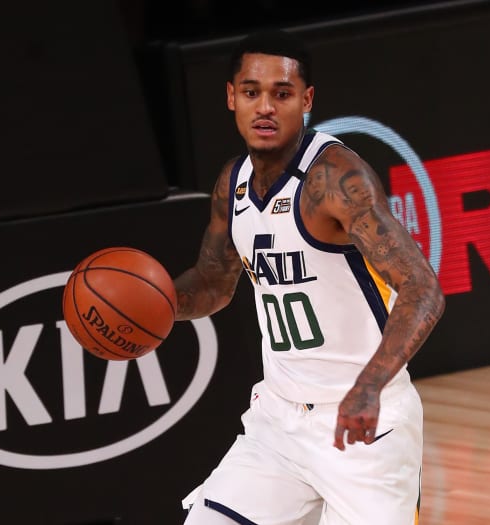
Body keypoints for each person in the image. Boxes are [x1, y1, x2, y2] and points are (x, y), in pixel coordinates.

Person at [173, 28, 445, 525]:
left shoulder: (335, 178)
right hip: (277, 424)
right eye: (252, 92)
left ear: (307, 100)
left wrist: (368, 387)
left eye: (282, 93)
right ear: (231, 97)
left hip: (365, 427)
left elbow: (423, 289)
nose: (265, 107)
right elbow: (213, 284)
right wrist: (157, 306)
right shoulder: (231, 184)